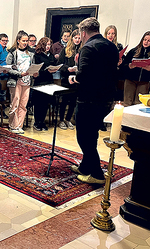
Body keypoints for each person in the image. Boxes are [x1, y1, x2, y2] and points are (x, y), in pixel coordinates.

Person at [68, 17, 119, 184]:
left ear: (83, 33)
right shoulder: (111, 46)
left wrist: (74, 79)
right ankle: (85, 166)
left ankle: (96, 174)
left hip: (89, 98)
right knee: (92, 133)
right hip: (106, 97)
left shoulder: (88, 48)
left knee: (84, 136)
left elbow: (83, 75)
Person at [6, 30, 38, 134]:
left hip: (27, 81)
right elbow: (7, 68)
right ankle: (13, 125)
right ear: (18, 40)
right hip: (16, 81)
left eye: (27, 41)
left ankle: (20, 125)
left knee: (23, 105)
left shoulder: (31, 53)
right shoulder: (13, 52)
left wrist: (35, 73)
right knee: (15, 103)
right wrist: (19, 74)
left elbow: (33, 66)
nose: (25, 43)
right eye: (23, 40)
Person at [121, 31, 150, 106]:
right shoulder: (134, 51)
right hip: (130, 80)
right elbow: (123, 64)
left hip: (144, 81)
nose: (146, 42)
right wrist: (129, 66)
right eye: (145, 40)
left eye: (149, 41)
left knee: (139, 104)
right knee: (127, 102)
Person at [32, 37, 58, 131]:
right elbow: (37, 68)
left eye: (49, 45)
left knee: (45, 103)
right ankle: (37, 122)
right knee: (39, 103)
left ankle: (42, 122)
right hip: (40, 80)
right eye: (46, 44)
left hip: (48, 81)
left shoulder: (51, 55)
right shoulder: (37, 55)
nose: (48, 46)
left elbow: (54, 64)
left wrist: (54, 69)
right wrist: (46, 71)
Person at [58, 29, 81, 130]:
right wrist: (68, 68)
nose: (77, 40)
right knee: (64, 101)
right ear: (72, 38)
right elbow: (60, 64)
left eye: (79, 38)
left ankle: (68, 119)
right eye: (75, 38)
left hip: (77, 79)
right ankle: (61, 120)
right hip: (66, 79)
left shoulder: (82, 50)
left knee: (73, 101)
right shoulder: (66, 49)